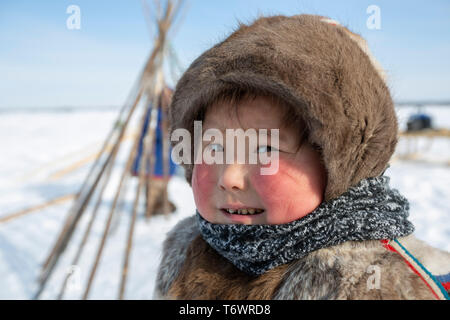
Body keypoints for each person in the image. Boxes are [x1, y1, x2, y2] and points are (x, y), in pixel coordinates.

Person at [154, 14, 450, 299]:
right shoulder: (186, 252)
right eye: (214, 149)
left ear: (339, 163)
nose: (229, 177)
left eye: (264, 150)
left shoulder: (385, 284)